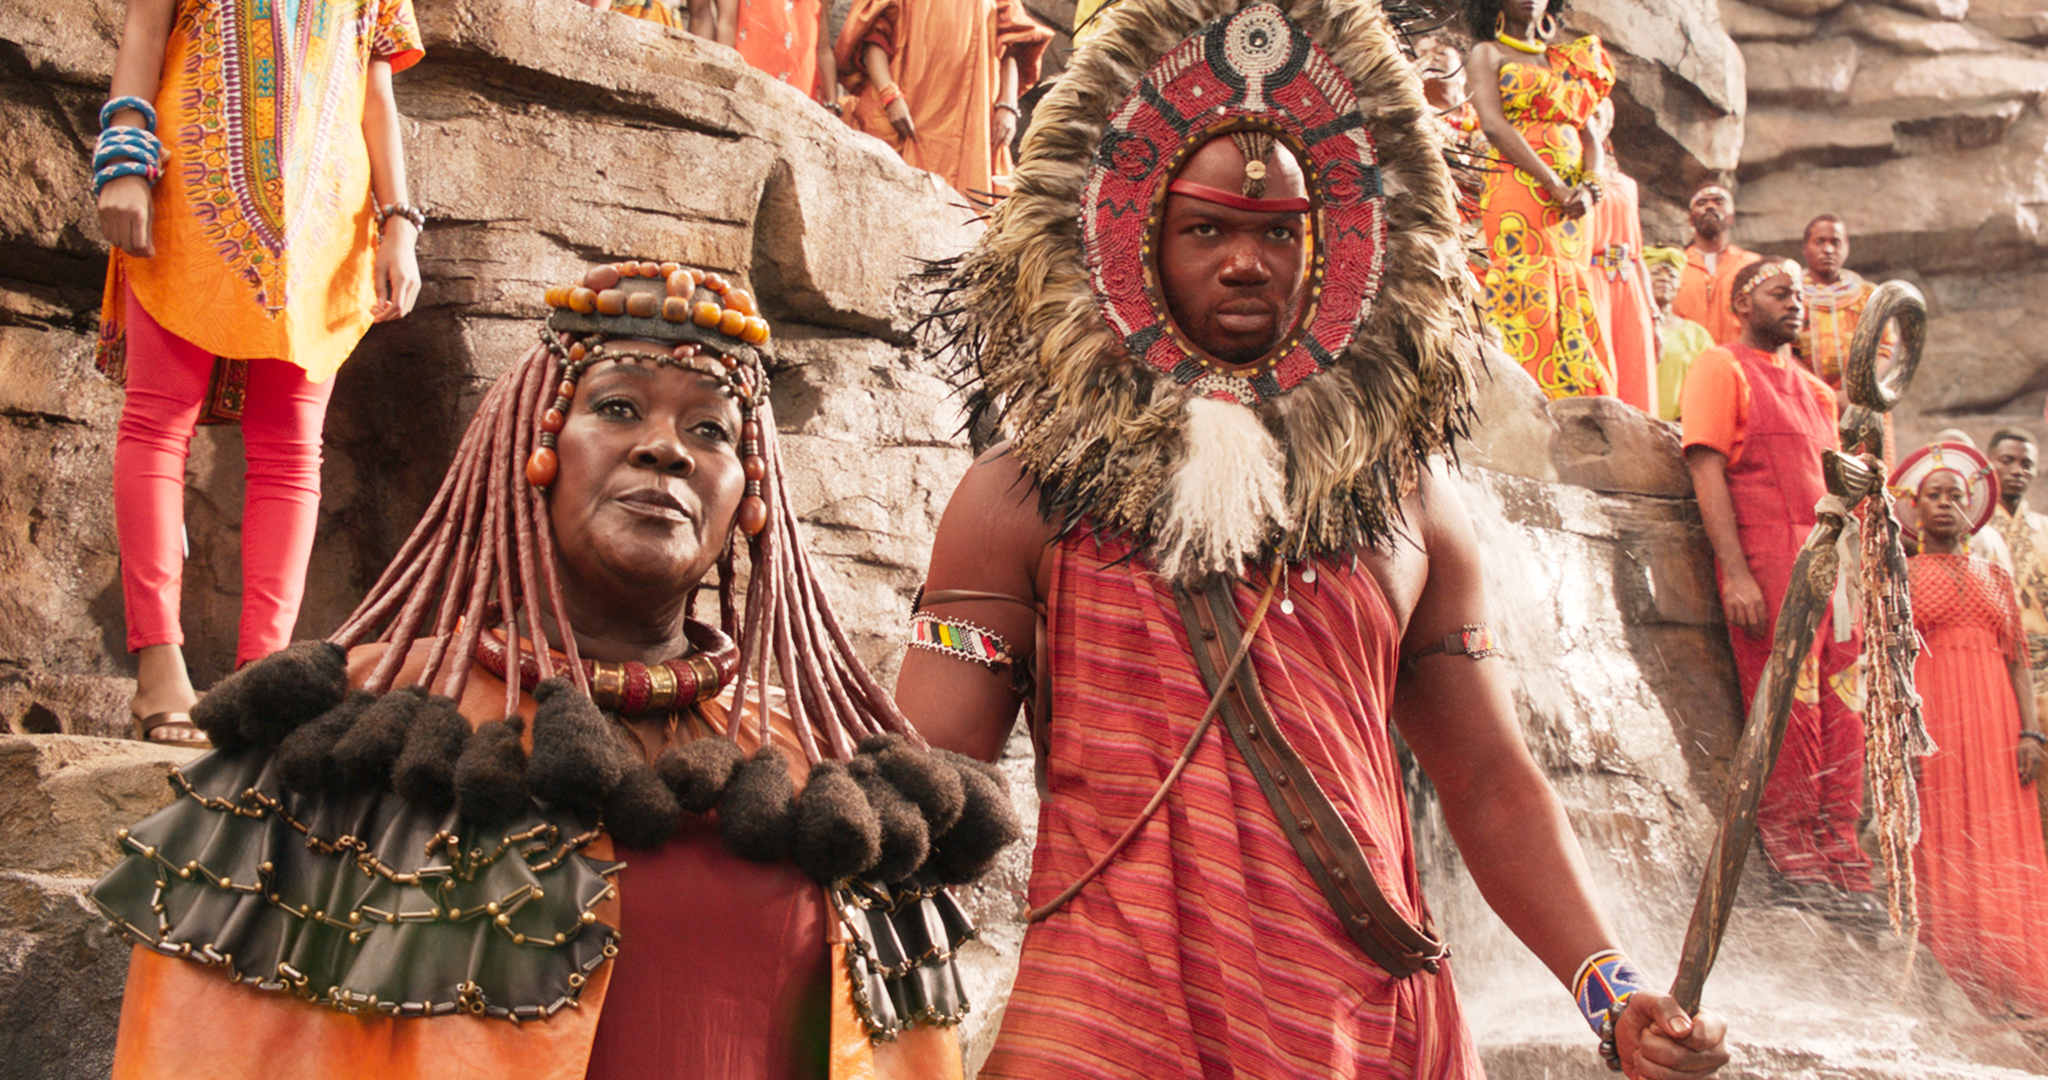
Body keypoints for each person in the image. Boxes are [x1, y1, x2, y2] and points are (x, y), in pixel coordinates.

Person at [909, 3, 1729, 1077]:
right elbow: (924, 774)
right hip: (1110, 1019)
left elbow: (1486, 781)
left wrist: (1610, 988)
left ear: (1335, 244)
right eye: (1206, 229)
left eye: (1278, 232)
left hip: (1373, 1026)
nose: (1247, 262)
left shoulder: (1412, 502)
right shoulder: (1019, 496)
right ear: (1136, 238)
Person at [90, 261, 1016, 1079]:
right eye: (616, 408)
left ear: (750, 502)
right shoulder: (347, 742)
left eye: (713, 431)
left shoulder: (818, 770)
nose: (666, 449)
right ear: (526, 451)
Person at [95, 0, 425, 746]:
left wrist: (399, 221)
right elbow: (145, 32)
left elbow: (376, 88)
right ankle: (158, 671)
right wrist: (123, 161)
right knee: (156, 421)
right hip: (186, 192)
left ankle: (260, 680)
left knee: (290, 452)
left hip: (325, 217)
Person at [1680, 258, 1875, 913]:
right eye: (1779, 291)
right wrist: (1734, 570)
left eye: (1800, 294)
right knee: (1788, 700)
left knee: (1845, 704)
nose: (1796, 302)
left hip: (1831, 557)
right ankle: (1795, 855)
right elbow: (1707, 470)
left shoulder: (1818, 391)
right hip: (1769, 552)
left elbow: (1832, 486)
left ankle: (1843, 855)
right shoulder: (1720, 366)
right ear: (1741, 303)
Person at [1896, 442, 2048, 1018]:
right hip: (1935, 723)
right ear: (1915, 508)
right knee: (1946, 833)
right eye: (1933, 496)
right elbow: (1891, 665)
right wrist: (1902, 739)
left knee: (2005, 836)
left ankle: (2015, 976)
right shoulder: (1900, 578)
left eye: (1954, 496)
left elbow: (2019, 663)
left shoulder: (1997, 578)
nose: (1943, 505)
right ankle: (1960, 979)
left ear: (1971, 507)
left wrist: (2032, 736)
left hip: (1996, 723)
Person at [1467, 0, 1617, 399]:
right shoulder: (1487, 53)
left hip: (1573, 201)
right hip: (1517, 186)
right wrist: (1552, 183)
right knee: (1526, 280)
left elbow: (1589, 135)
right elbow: (1494, 125)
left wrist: (1591, 184)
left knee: (1570, 279)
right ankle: (1524, 393)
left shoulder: (1565, 60)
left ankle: (1578, 396)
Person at [833, 0, 1051, 201]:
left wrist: (1008, 106)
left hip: (974, 127)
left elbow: (1010, 46)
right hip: (909, 119)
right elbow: (873, 40)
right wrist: (889, 95)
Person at [1986, 429, 2048, 853]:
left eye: (2025, 463)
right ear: (1988, 464)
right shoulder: (1971, 526)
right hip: (1992, 671)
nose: (2015, 471)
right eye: (2006, 461)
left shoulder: (2044, 529)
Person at [1583, 100, 1657, 412]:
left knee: (1635, 364)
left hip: (1628, 284)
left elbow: (1637, 252)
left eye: (1597, 115)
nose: (1589, 121)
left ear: (1608, 124)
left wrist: (1653, 309)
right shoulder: (1572, 175)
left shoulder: (1628, 184)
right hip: (1590, 276)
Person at [1671, 184, 1759, 347]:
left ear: (1732, 216)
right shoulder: (1675, 266)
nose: (1710, 206)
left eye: (1719, 202)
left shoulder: (1753, 266)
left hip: (1740, 364)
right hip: (1689, 367)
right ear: (1690, 219)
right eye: (1701, 203)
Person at [1646, 245, 1712, 422]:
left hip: (1680, 428)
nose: (1665, 279)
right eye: (1656, 273)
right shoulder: (1628, 326)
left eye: (1672, 275)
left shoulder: (1696, 334)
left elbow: (1708, 386)